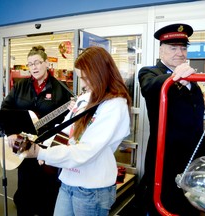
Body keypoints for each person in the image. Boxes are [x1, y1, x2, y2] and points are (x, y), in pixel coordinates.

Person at [18, 46, 132, 216]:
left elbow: (85, 151)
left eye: (86, 78)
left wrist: (41, 153)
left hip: (92, 189)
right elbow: (64, 130)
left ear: (101, 73)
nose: (84, 84)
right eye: (81, 78)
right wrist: (41, 144)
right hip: (68, 180)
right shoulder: (85, 97)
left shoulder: (115, 104)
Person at [135, 23, 205, 215]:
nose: (180, 53)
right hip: (165, 159)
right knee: (164, 205)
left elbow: (196, 118)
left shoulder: (194, 81)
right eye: (173, 48)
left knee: (190, 207)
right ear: (161, 51)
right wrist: (175, 78)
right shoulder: (150, 73)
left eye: (183, 48)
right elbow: (150, 87)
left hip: (193, 159)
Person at [1, 45, 74, 216]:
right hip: (23, 145)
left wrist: (73, 108)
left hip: (47, 147)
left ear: (47, 63)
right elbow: (5, 109)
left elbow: (67, 121)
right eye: (30, 64)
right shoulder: (20, 86)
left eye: (37, 63)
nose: (33, 67)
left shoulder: (60, 89)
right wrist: (11, 132)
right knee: (25, 190)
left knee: (48, 193)